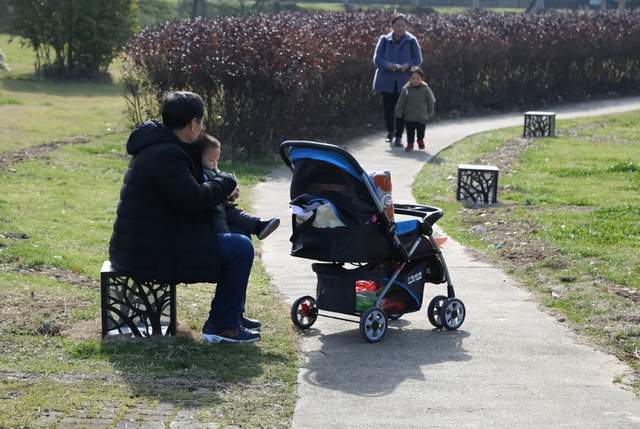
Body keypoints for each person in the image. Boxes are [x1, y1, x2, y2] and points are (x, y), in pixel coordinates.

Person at [109, 91, 260, 344]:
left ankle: (231, 315)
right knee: (241, 247)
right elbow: (194, 199)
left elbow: (184, 198)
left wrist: (219, 194)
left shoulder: (160, 147)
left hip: (151, 240)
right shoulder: (167, 155)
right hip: (150, 252)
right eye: (200, 122)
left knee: (240, 234)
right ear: (192, 123)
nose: (201, 128)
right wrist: (226, 180)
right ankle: (222, 327)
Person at [196, 133, 280, 241]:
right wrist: (225, 192)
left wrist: (232, 191)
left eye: (217, 160)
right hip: (214, 212)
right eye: (211, 160)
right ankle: (228, 244)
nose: (214, 164)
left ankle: (259, 226)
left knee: (238, 214)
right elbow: (208, 192)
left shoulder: (214, 170)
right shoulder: (201, 173)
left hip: (225, 207)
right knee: (221, 223)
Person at [372, 14, 423, 147]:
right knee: (388, 109)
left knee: (401, 109)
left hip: (404, 80)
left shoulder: (411, 40)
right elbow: (377, 59)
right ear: (392, 26)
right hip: (386, 80)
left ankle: (399, 136)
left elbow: (417, 59)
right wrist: (388, 65)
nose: (401, 28)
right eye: (398, 25)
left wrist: (408, 65)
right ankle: (390, 132)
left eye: (403, 25)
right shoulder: (384, 40)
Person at [394, 67, 436, 152]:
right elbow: (401, 102)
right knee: (410, 131)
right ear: (409, 79)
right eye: (413, 79)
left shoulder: (425, 89)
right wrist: (399, 112)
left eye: (417, 79)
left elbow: (430, 100)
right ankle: (410, 144)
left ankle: (420, 140)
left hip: (421, 116)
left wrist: (430, 111)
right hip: (409, 116)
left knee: (421, 131)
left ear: (421, 79)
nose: (415, 81)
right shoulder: (406, 89)